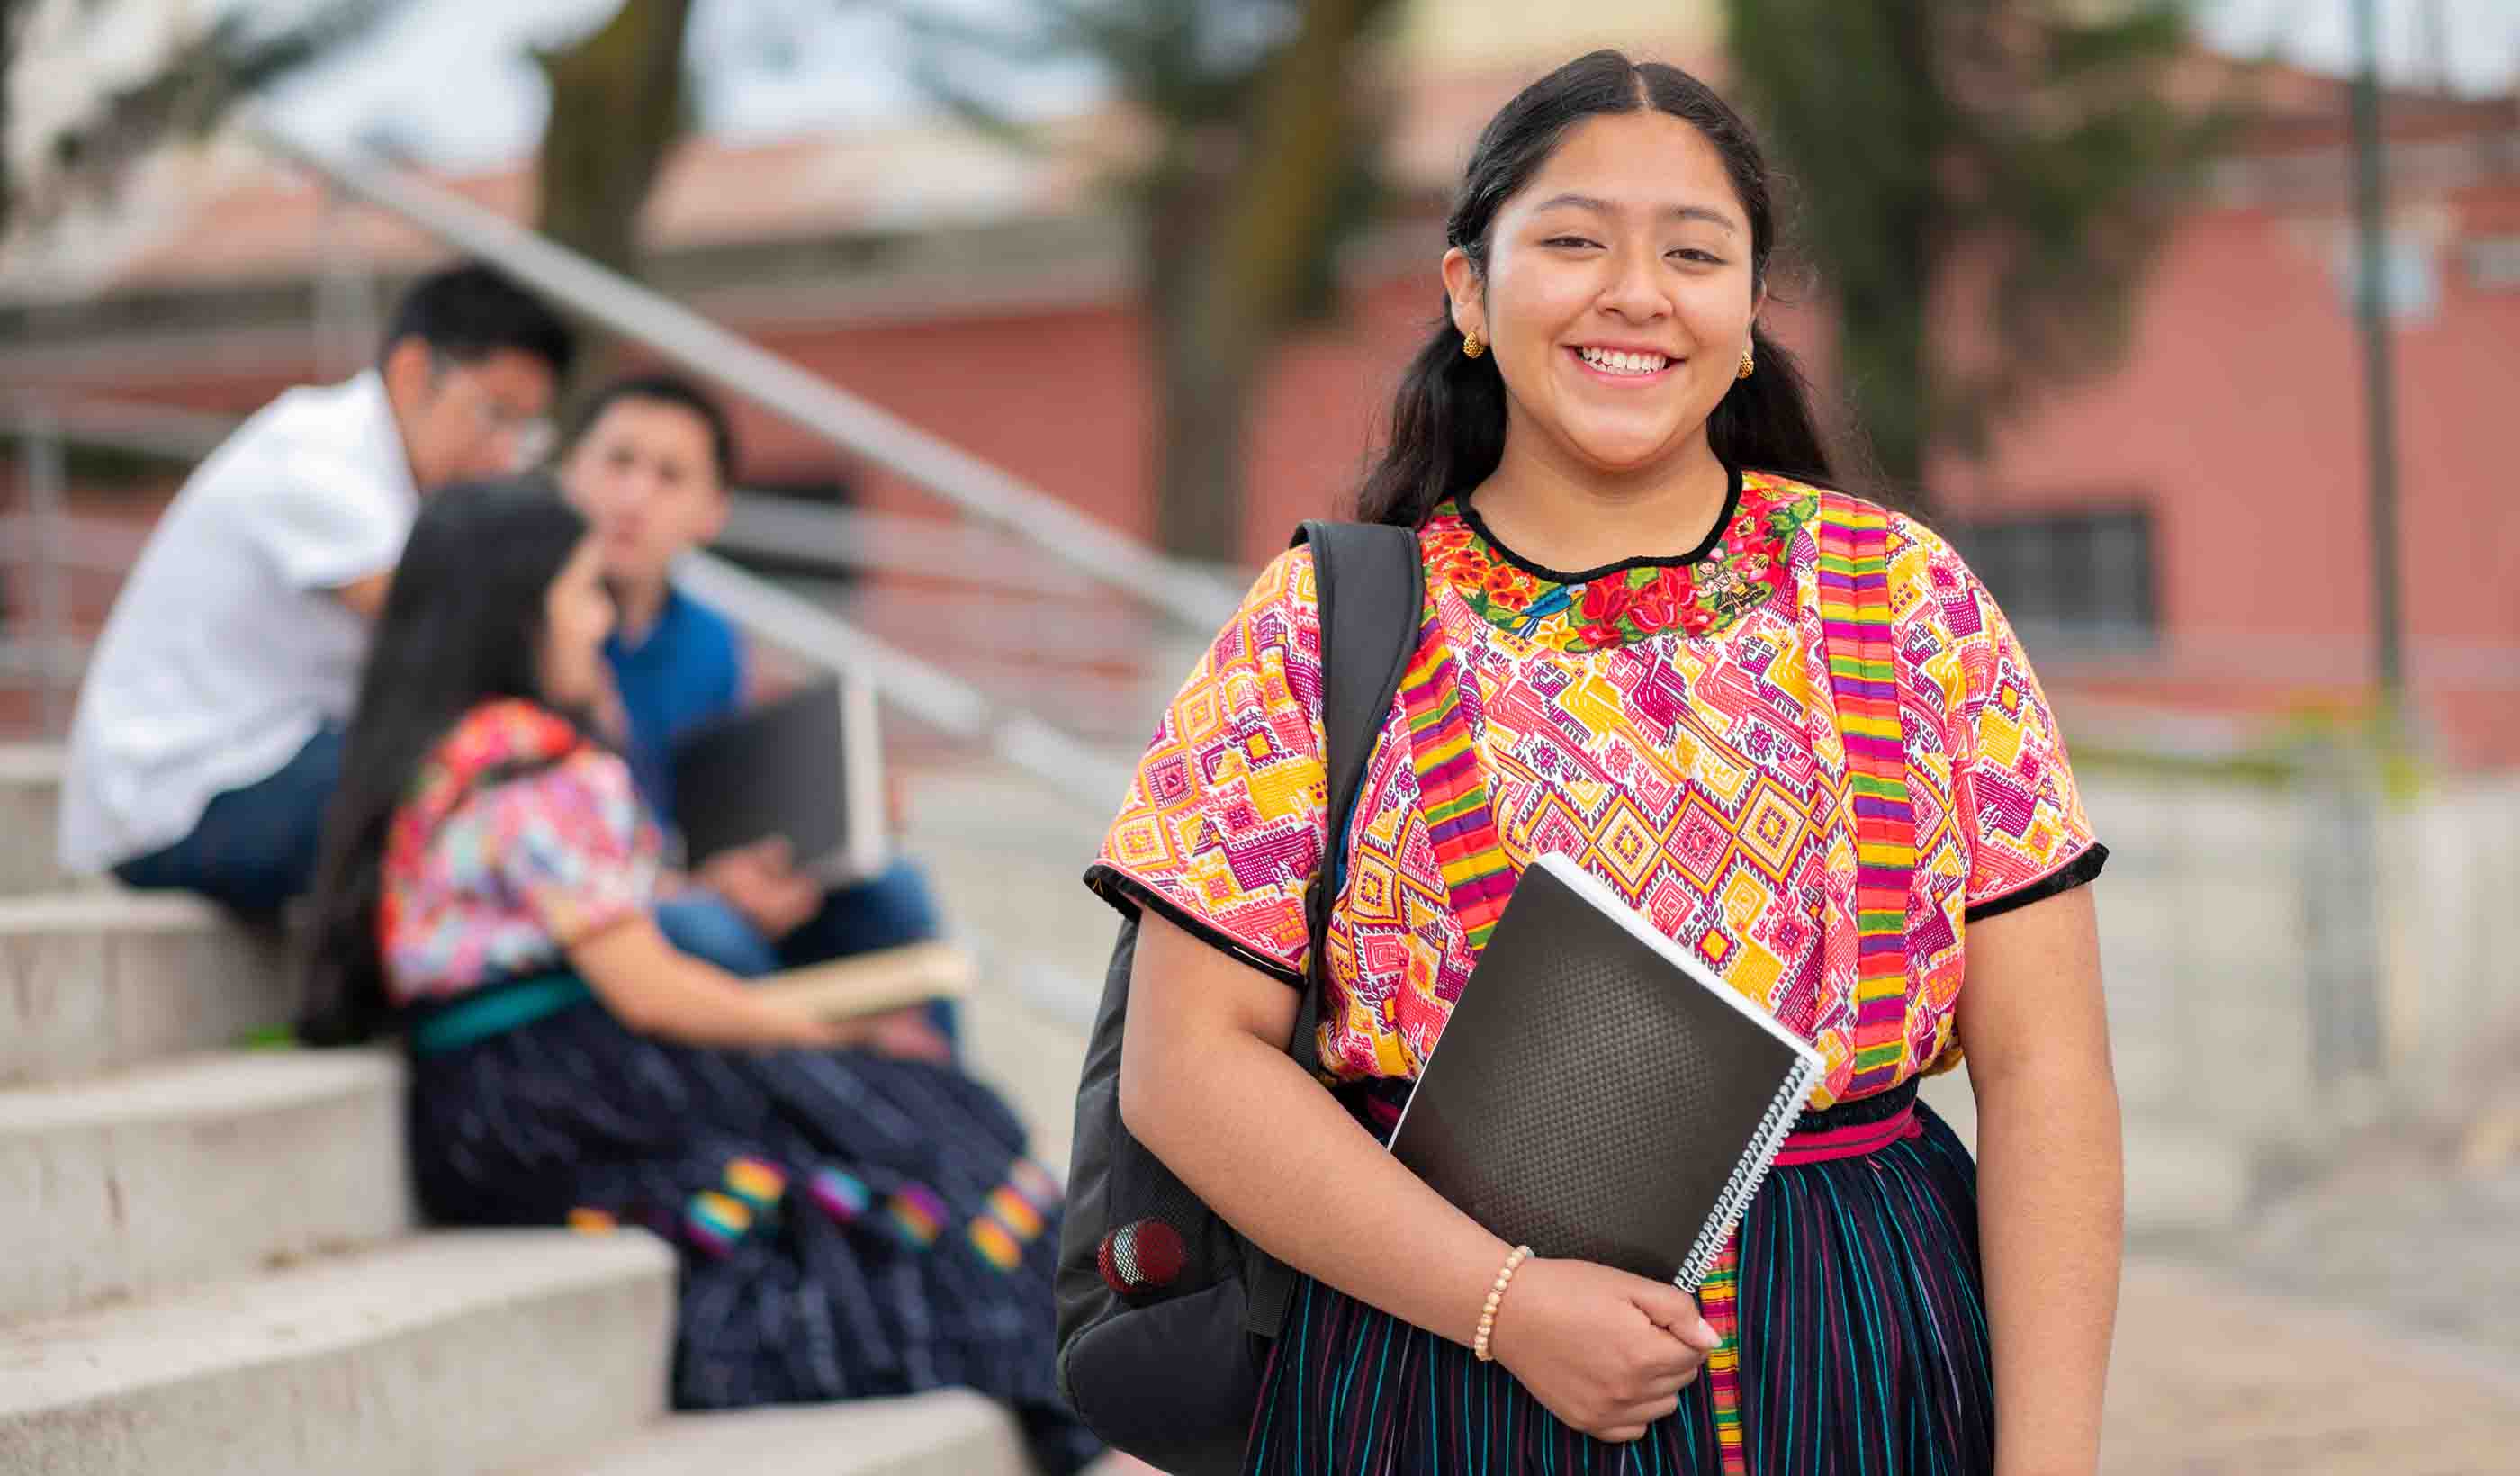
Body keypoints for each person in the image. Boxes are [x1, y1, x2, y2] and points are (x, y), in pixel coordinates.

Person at [1088, 51, 2119, 1475]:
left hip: (1872, 1346)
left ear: (1751, 315)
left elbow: (2046, 1062)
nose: (1636, 292)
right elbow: (1187, 1068)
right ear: (1467, 291)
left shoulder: (1908, 601)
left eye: (1694, 254)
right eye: (1572, 241)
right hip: (1432, 1366)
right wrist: (1506, 1309)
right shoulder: (1321, 629)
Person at [298, 479, 1100, 1475]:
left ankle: (1072, 1396)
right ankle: (1077, 1399)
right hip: (573, 1083)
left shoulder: (436, 760)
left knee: (902, 1122)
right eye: (586, 593)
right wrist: (830, 1030)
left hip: (485, 1102)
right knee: (927, 1121)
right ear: (521, 613)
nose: (601, 621)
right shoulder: (545, 771)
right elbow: (649, 989)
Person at [56, 262, 575, 914]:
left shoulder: (403, 482)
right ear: (415, 371)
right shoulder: (318, 455)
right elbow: (449, 627)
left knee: (483, 781)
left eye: (524, 431)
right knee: (464, 788)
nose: (503, 455)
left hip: (279, 764)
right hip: (178, 799)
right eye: (495, 415)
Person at [554, 371, 958, 1047]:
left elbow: (718, 801)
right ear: (570, 473)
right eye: (618, 462)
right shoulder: (540, 628)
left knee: (895, 893)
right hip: (607, 904)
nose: (633, 496)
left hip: (703, 878)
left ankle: (953, 1116)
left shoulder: (711, 641)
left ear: (712, 512)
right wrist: (700, 885)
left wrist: (829, 823)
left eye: (668, 476)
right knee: (716, 934)